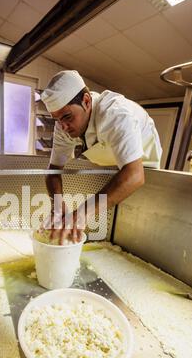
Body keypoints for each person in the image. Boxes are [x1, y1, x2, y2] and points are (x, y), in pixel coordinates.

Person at [41, 70, 162, 244]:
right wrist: (57, 206)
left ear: (87, 101)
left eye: (67, 117)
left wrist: (82, 213)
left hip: (142, 167)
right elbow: (53, 170)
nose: (63, 126)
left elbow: (135, 175)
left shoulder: (115, 114)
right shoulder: (63, 125)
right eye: (57, 119)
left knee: (137, 222)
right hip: (115, 163)